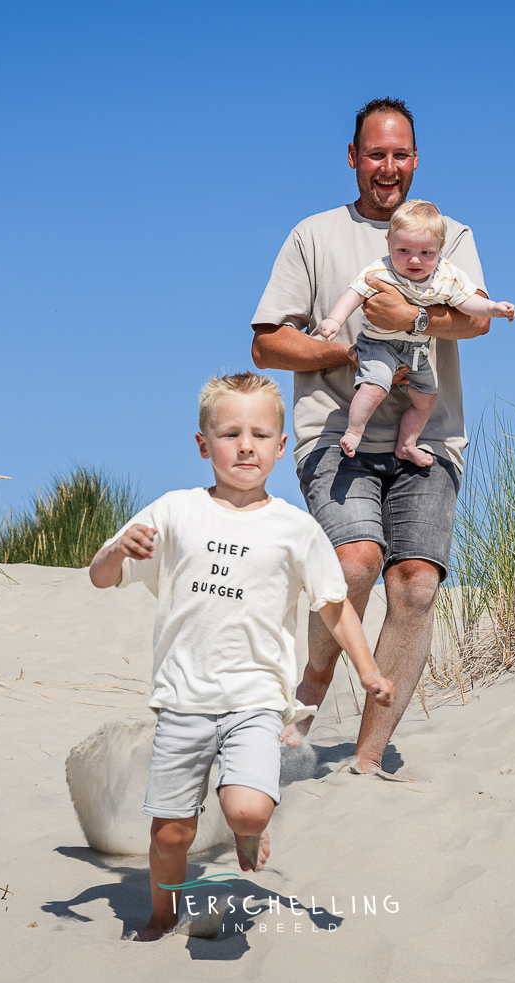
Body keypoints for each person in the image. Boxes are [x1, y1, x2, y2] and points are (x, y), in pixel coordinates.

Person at [88, 372, 394, 942]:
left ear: (282, 446)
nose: (245, 445)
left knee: (248, 809)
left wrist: (370, 671)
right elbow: (102, 577)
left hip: (256, 699)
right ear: (203, 444)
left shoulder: (295, 528)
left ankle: (249, 833)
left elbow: (335, 608)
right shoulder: (175, 510)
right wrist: (117, 549)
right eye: (230, 433)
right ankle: (161, 914)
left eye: (260, 434)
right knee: (171, 836)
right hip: (184, 699)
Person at [250, 97, 495, 777]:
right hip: (336, 432)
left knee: (415, 583)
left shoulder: (449, 233)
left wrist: (406, 321)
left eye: (400, 154)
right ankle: (316, 681)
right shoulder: (315, 235)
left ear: (415, 160)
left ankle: (365, 760)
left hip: (430, 436)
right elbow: (268, 343)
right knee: (356, 561)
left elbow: (473, 319)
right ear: (354, 159)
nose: (388, 167)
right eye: (376, 154)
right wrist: (352, 351)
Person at [317, 198, 515, 467]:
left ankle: (406, 444)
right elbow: (354, 295)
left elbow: (466, 302)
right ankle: (354, 431)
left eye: (426, 253)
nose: (414, 259)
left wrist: (493, 308)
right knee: (375, 387)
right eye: (404, 250)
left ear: (440, 249)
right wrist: (334, 320)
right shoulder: (381, 270)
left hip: (416, 351)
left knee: (427, 398)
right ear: (388, 243)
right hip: (379, 344)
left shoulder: (446, 275)